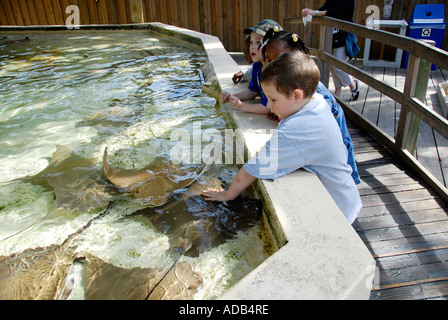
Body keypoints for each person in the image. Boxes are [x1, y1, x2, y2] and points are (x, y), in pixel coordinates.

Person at [204, 51, 362, 224]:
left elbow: (255, 168)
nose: (268, 106)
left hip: (338, 208)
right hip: (345, 192)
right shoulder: (316, 101)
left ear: (296, 96)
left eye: (272, 99)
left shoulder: (299, 129)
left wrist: (227, 194)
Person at [261, 28, 360, 185]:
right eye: (269, 60)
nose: (273, 65)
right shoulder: (292, 89)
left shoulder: (318, 95)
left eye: (278, 59)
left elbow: (326, 136)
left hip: (336, 160)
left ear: (298, 55)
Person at [220, 19, 283, 115]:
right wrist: (232, 97)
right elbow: (252, 91)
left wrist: (241, 106)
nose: (252, 46)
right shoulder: (257, 66)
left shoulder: (276, 72)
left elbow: (268, 107)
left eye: (258, 42)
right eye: (251, 41)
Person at [302, 0, 359, 100]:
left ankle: (353, 85)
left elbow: (336, 11)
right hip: (332, 35)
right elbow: (324, 9)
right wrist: (310, 11)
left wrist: (315, 13)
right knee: (333, 65)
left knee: (338, 67)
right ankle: (338, 91)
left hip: (344, 36)